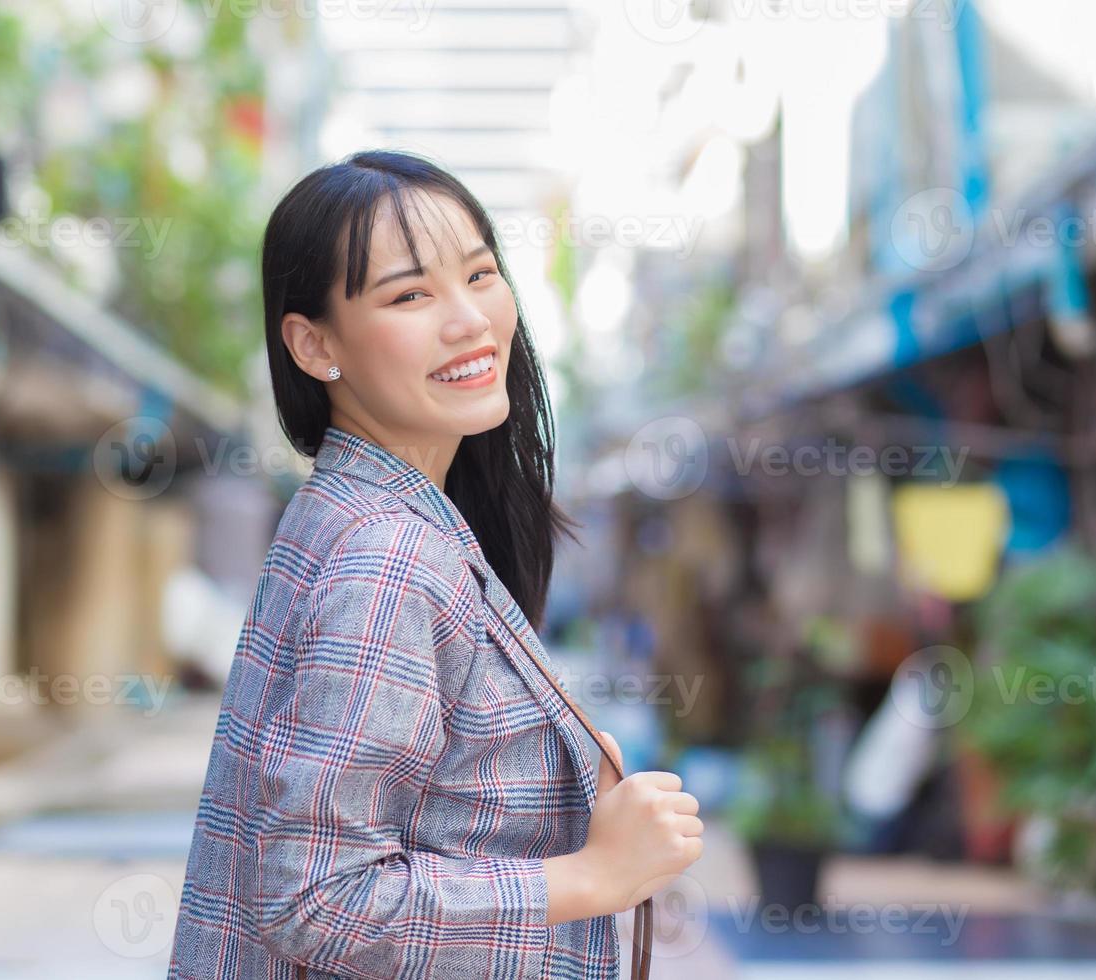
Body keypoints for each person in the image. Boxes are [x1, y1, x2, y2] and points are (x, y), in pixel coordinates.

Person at [168, 149, 703, 979]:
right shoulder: (386, 555)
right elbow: (316, 897)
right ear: (314, 346)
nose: (470, 321)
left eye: (481, 275)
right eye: (410, 294)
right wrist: (591, 876)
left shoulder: (368, 510)